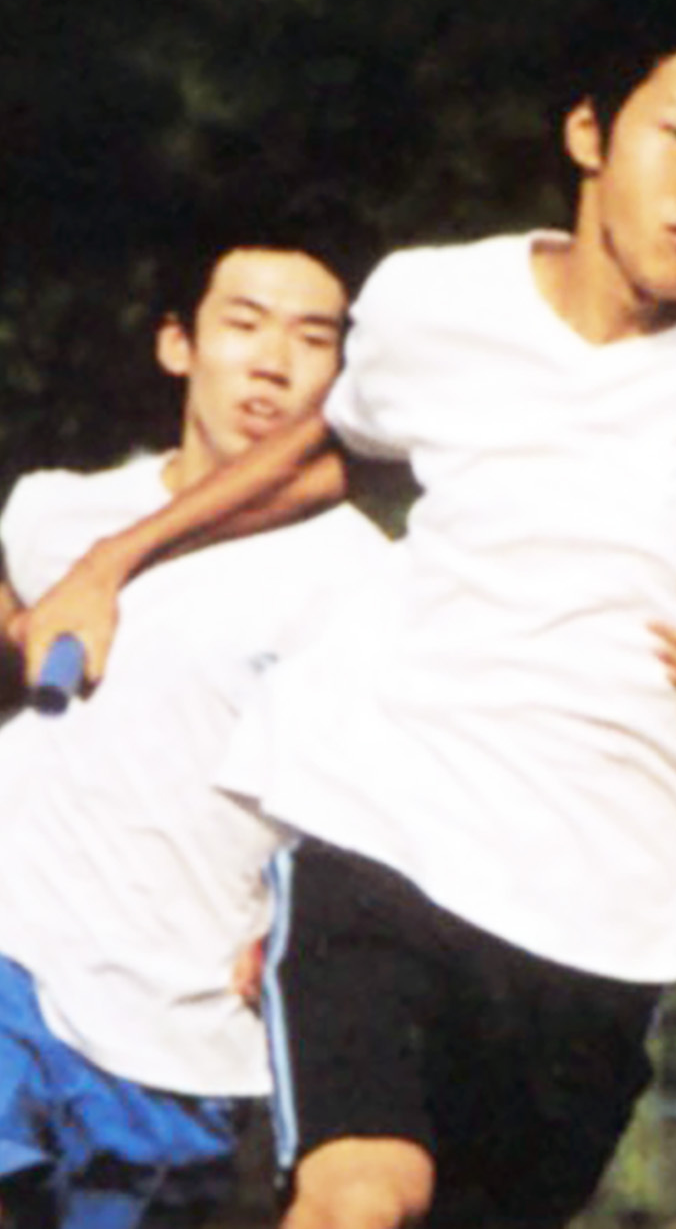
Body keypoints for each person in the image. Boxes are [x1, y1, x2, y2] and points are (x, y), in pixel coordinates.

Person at [11, 0, 676, 1229]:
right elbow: (332, 449)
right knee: (359, 1199)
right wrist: (110, 562)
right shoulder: (435, 302)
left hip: (608, 919)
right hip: (385, 835)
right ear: (590, 133)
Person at [0, 225, 388, 1229]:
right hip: (15, 963)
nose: (272, 362)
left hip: (177, 1035)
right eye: (244, 324)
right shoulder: (53, 512)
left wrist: (310, 919)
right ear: (179, 343)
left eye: (313, 338)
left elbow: (386, 807)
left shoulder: (366, 579)